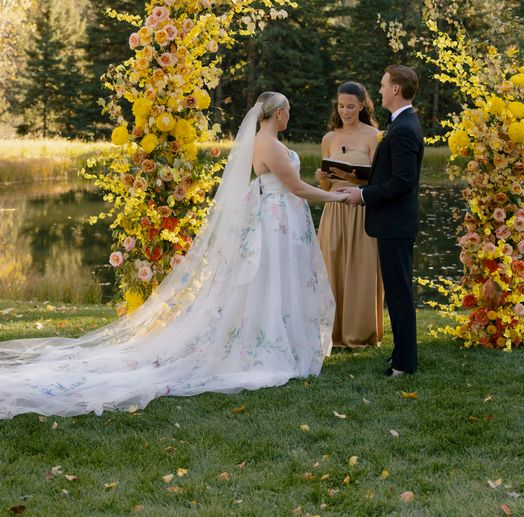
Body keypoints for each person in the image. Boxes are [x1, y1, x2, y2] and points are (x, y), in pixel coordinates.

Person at [0, 93, 345, 419]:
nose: (289, 115)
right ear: (278, 113)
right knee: (272, 280)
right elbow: (296, 188)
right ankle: (272, 348)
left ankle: (270, 338)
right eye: (287, 111)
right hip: (276, 219)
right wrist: (342, 198)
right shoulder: (270, 144)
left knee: (270, 281)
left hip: (276, 217)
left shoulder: (261, 142)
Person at [341, 66, 423, 377]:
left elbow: (402, 182)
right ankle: (402, 356)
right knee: (397, 290)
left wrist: (363, 196)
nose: (380, 89)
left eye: (384, 84)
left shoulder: (403, 128)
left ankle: (404, 364)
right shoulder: (399, 123)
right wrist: (362, 187)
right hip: (393, 222)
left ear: (396, 90)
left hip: (396, 223)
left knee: (399, 292)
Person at [316, 81, 384, 348]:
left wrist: (356, 179)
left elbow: (379, 181)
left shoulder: (373, 136)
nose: (345, 111)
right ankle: (331, 333)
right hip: (334, 210)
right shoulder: (329, 138)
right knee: (331, 266)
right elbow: (324, 185)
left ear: (363, 106)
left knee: (360, 268)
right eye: (341, 106)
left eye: (351, 107)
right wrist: (323, 178)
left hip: (361, 210)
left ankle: (359, 333)